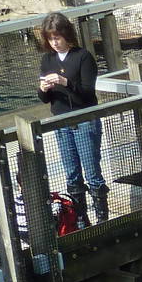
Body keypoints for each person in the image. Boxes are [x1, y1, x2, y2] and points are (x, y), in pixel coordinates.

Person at [35, 12, 107, 225]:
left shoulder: (83, 57)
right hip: (61, 122)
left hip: (84, 120)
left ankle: (102, 218)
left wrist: (65, 82)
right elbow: (45, 99)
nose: (55, 43)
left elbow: (87, 92)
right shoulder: (47, 59)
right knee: (72, 174)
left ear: (67, 35)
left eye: (57, 37)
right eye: (51, 39)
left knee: (92, 171)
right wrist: (43, 89)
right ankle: (80, 219)